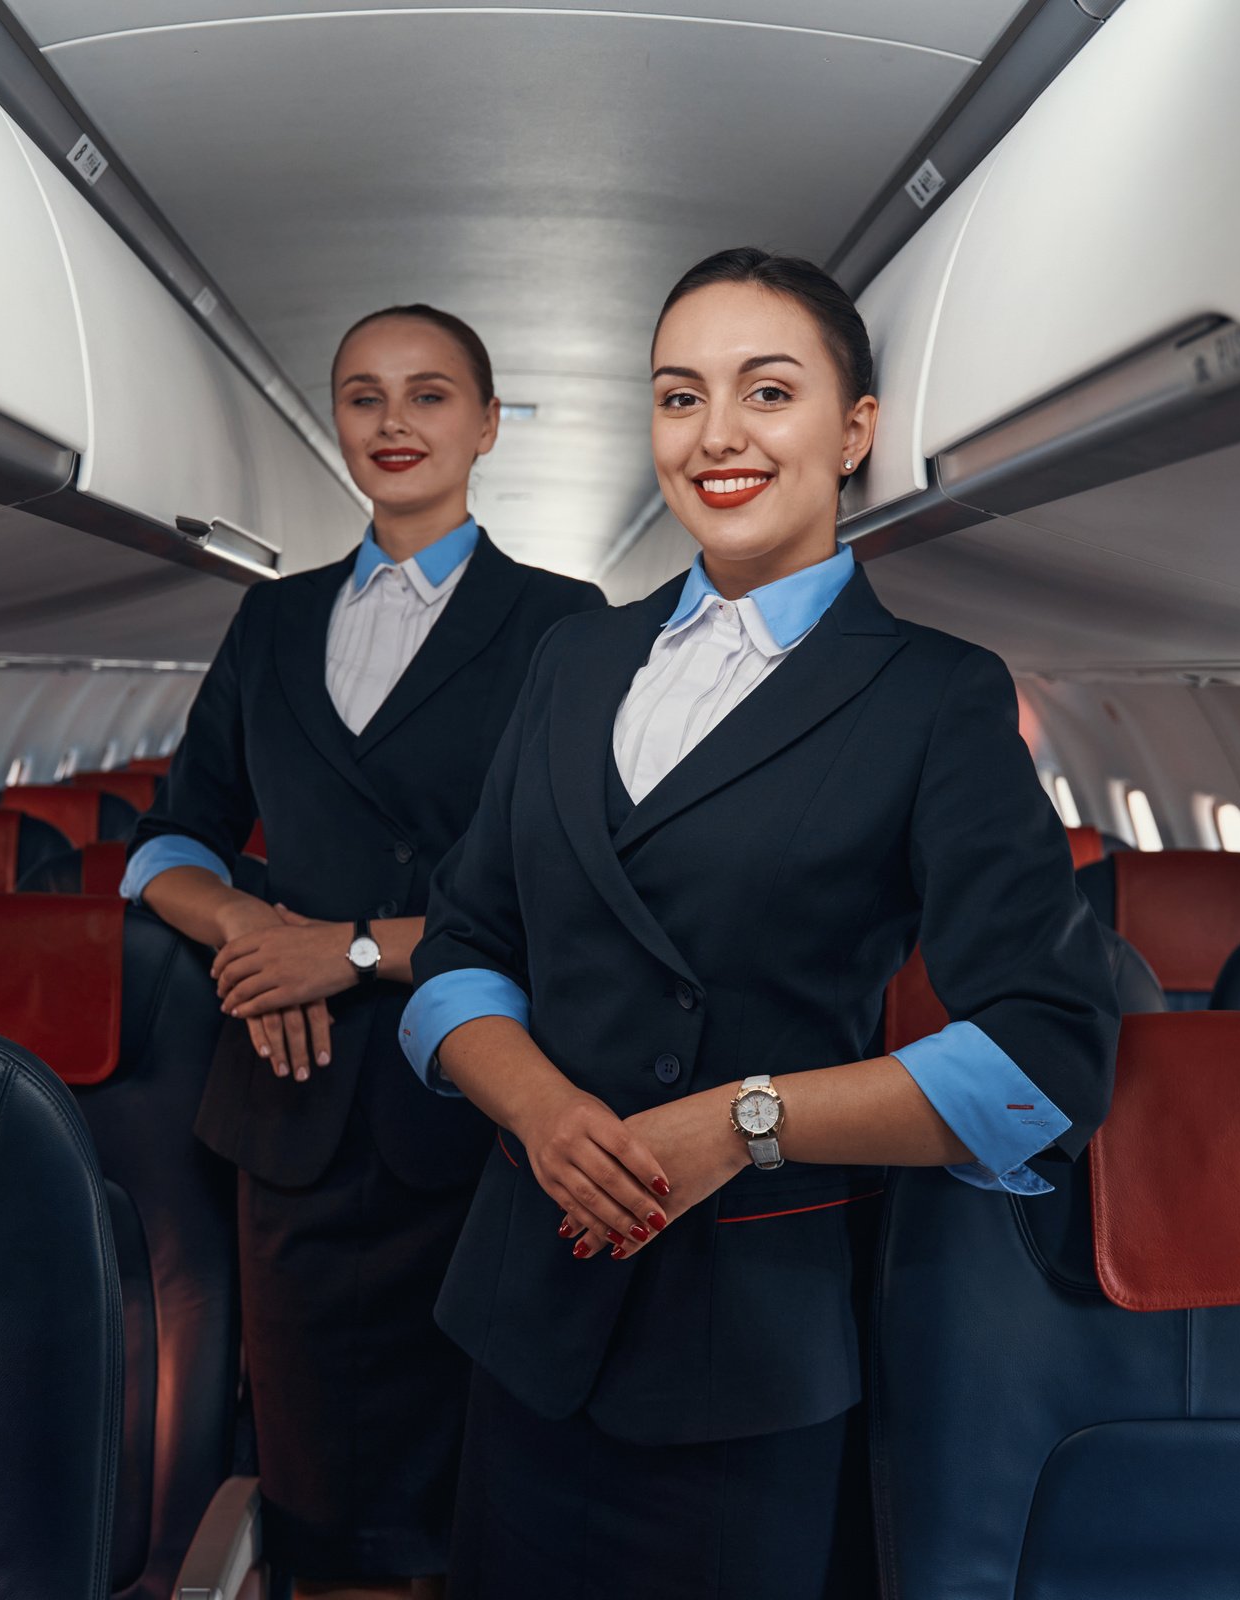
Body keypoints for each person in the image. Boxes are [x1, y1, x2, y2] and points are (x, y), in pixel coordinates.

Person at [397, 249, 1121, 1596]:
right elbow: (459, 954)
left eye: (766, 391)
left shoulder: (934, 698)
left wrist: (746, 1123)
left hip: (747, 1344)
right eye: (681, 397)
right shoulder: (575, 660)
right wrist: (542, 1111)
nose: (717, 434)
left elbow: (1047, 1052)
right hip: (527, 1315)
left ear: (855, 432)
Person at [124, 304, 604, 1599]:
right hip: (293, 1109)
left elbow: (575, 883)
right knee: (321, 1500)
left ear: (489, 424)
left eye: (431, 394)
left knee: (485, 1493)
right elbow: (170, 843)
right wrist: (248, 927)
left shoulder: (565, 625)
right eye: (365, 395)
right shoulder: (271, 623)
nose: (395, 423)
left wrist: (346, 948)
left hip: (482, 1110)